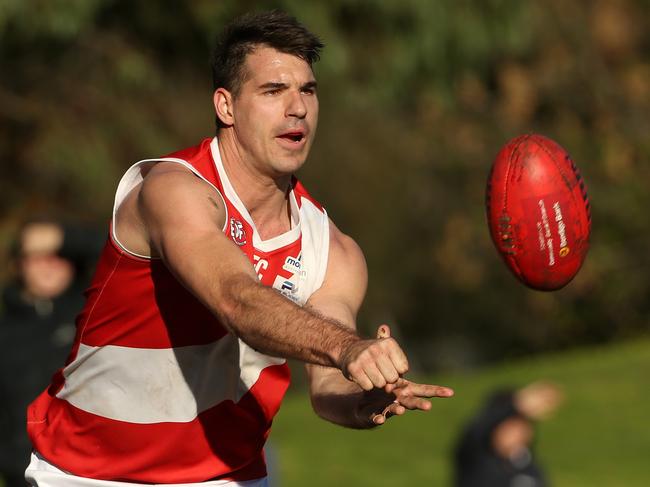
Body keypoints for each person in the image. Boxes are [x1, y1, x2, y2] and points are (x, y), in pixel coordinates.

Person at [24, 10, 454, 487]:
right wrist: (348, 347)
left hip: (229, 476)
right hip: (88, 473)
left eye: (308, 91)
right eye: (274, 91)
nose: (298, 108)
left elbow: (327, 381)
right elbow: (236, 298)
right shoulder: (172, 191)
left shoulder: (333, 249)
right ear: (226, 107)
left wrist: (361, 399)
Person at [0, 220, 102, 487]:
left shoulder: (93, 314)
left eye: (59, 255)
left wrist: (64, 236)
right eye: (38, 256)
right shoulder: (5, 333)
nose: (49, 264)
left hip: (90, 474)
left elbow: (129, 250)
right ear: (19, 263)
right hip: (21, 476)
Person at [453, 381, 563, 487]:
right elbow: (479, 428)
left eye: (519, 426)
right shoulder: (476, 457)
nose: (514, 433)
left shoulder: (530, 469)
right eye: (507, 427)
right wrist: (517, 404)